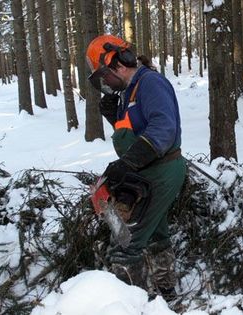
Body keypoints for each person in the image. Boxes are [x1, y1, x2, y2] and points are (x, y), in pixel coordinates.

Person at [85, 34, 186, 300]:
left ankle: (131, 305)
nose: (104, 82)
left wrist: (127, 163)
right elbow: (133, 133)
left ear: (118, 64)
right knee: (156, 234)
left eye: (104, 75)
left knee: (126, 244)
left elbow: (163, 130)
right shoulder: (129, 91)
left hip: (161, 170)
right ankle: (168, 293)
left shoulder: (150, 83)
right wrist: (112, 117)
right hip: (145, 171)